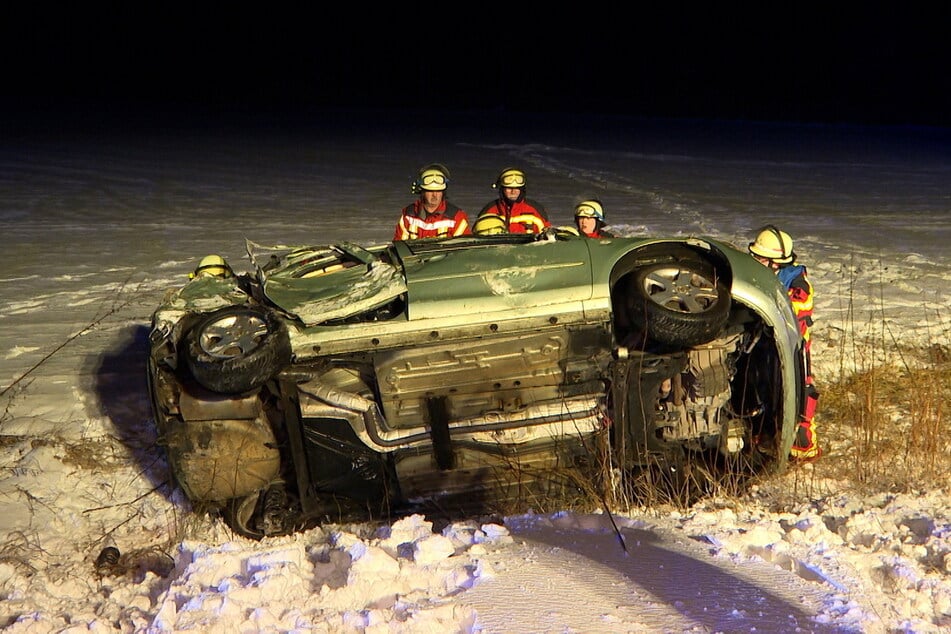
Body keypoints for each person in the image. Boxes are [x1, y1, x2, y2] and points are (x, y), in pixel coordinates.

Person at [749, 225, 821, 460]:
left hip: (792, 351)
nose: (756, 261)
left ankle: (803, 451)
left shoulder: (797, 283)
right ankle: (765, 439)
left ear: (775, 262)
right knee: (763, 392)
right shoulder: (760, 276)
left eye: (761, 258)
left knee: (799, 395)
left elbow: (794, 314)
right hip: (765, 348)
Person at [394, 163, 471, 240]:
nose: (434, 195)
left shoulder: (456, 217)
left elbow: (464, 247)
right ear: (423, 192)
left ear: (443, 192)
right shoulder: (408, 215)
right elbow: (399, 245)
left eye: (438, 191)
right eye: (430, 191)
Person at [477, 167, 550, 234]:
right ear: (502, 190)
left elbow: (548, 237)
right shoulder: (490, 210)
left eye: (517, 188)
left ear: (522, 190)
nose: (513, 192)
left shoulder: (535, 209)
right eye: (509, 188)